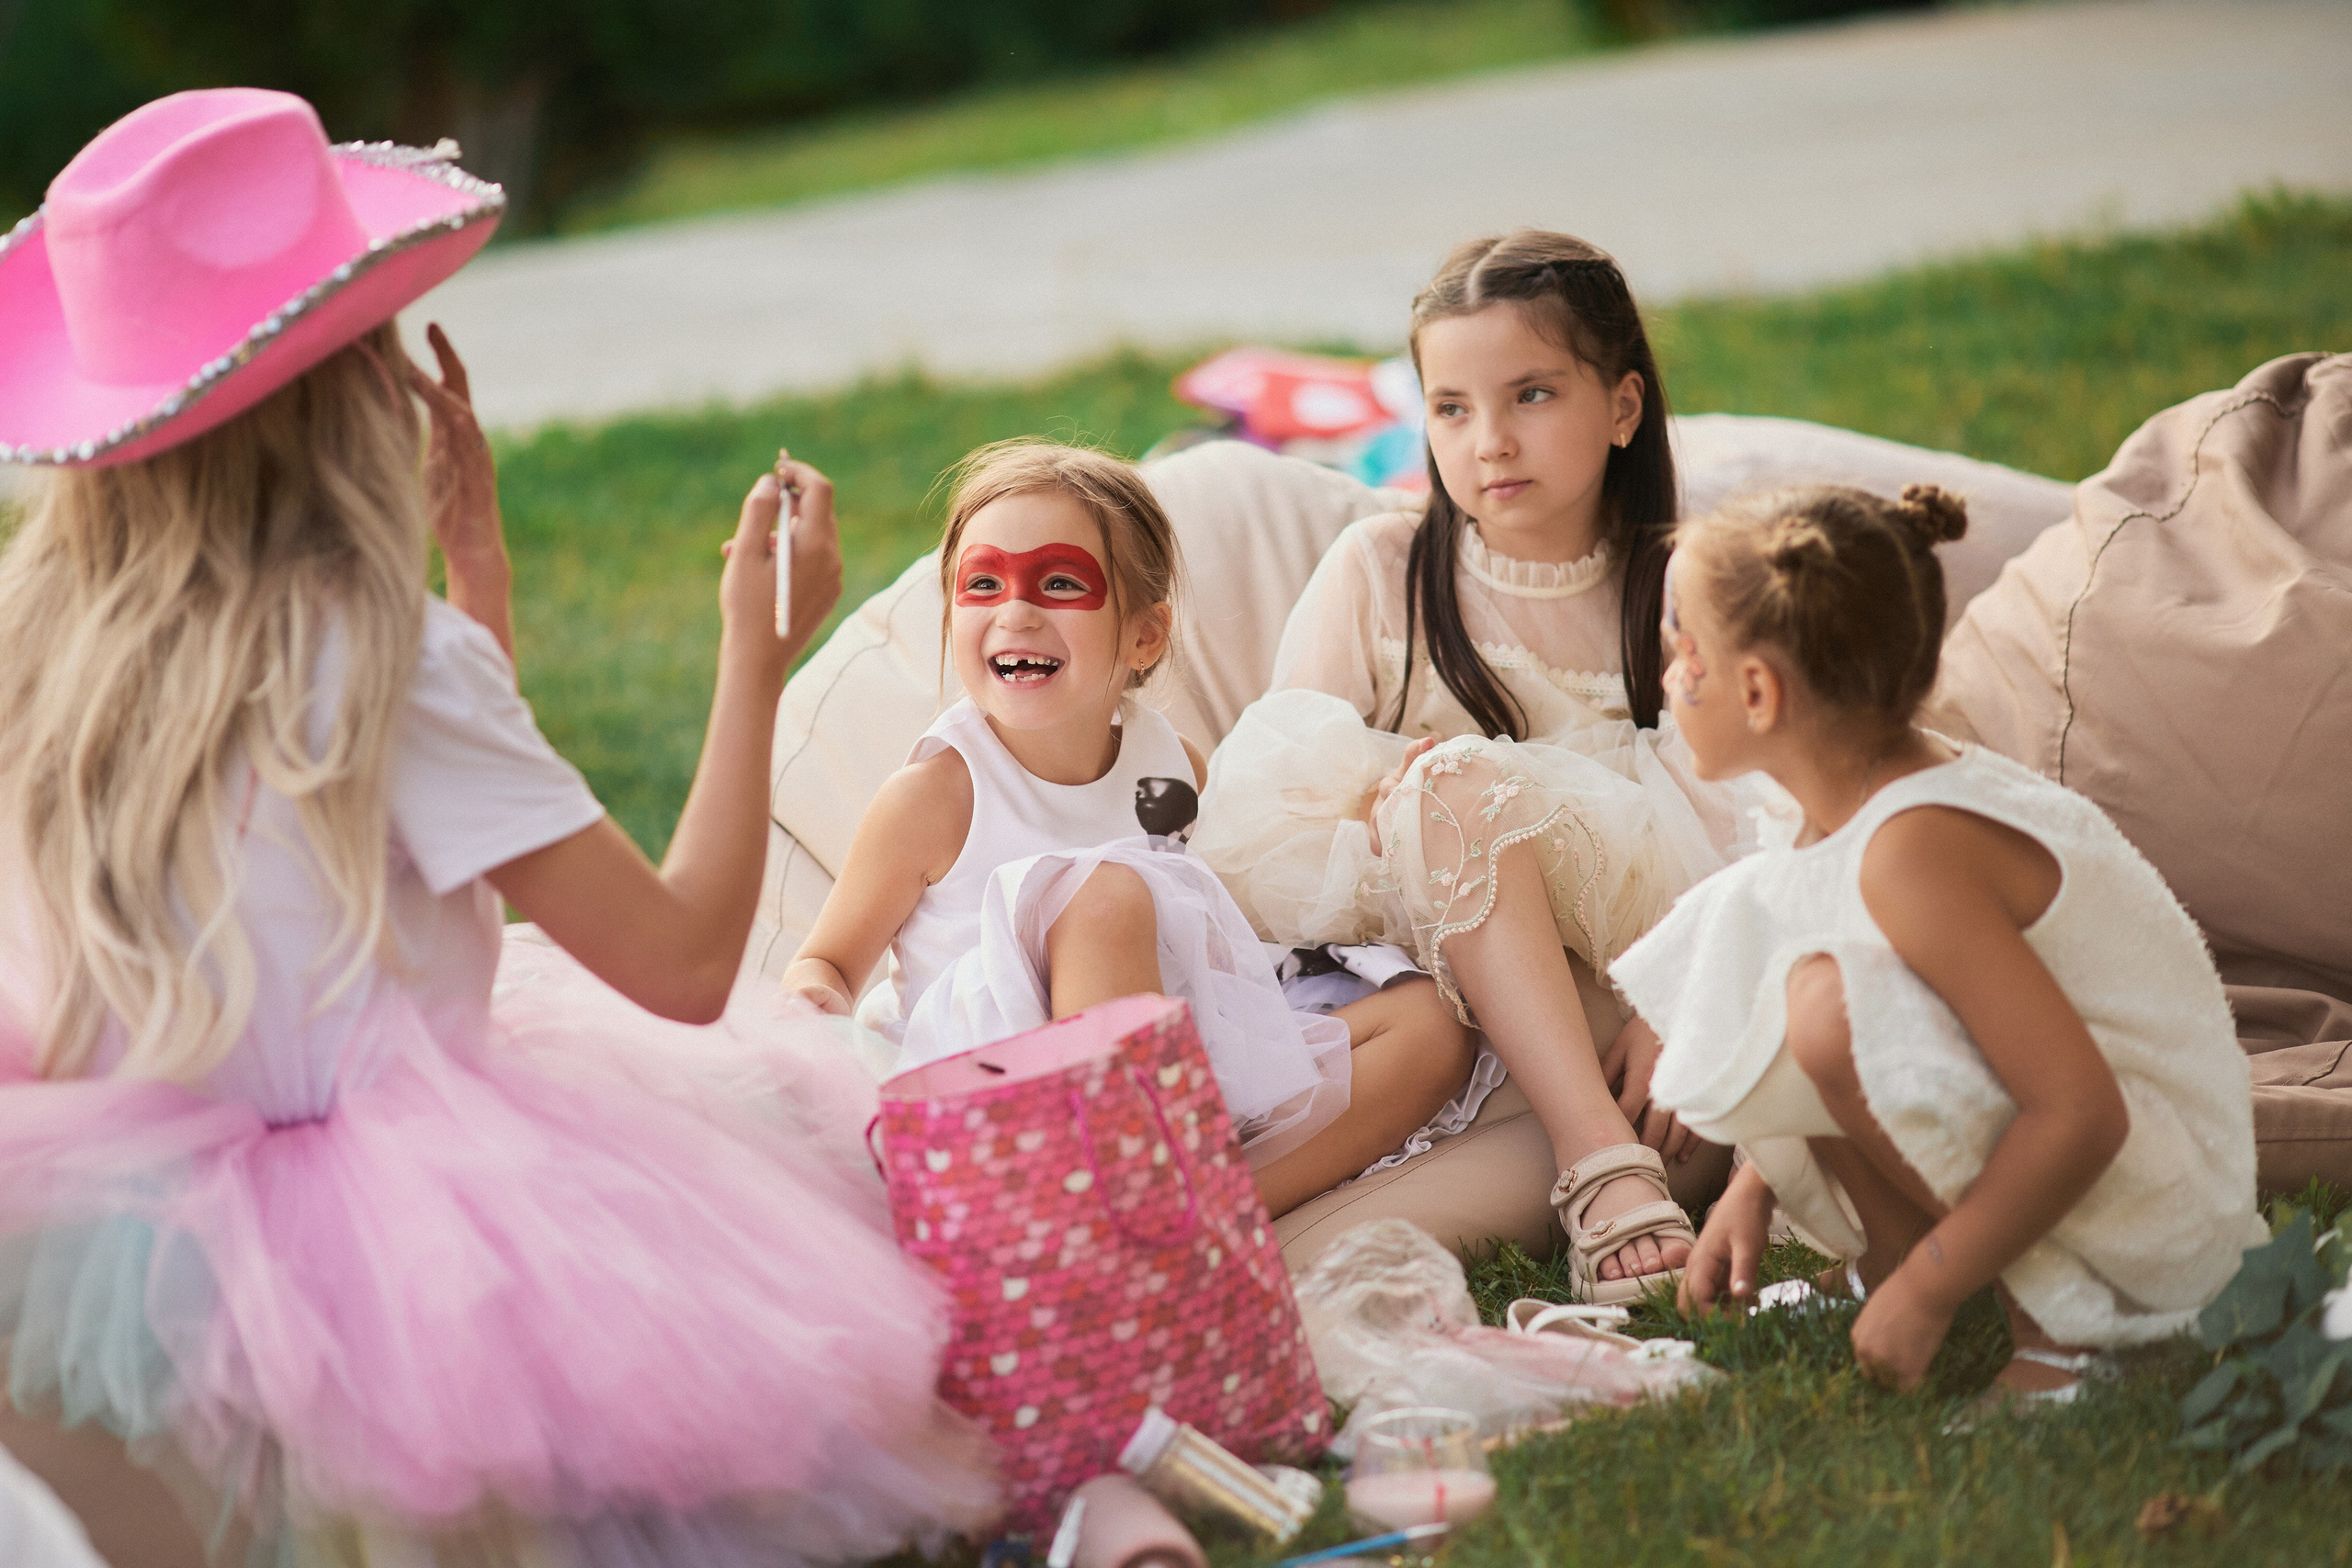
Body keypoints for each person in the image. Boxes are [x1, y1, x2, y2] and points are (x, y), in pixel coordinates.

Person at [0, 88, 994, 1564]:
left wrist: (479, 583)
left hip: (146, 1238)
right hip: (410, 1260)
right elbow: (681, 964)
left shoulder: (46, 647)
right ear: (348, 389)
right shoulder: (387, 662)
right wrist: (756, 653)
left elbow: (398, 850)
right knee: (781, 1123)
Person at [1612, 481, 2265, 1408]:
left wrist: (1931, 1288)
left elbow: (2082, 1113)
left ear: (1757, 691)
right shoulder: (1837, 793)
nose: (1668, 673)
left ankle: (2074, 1336)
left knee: (1833, 1009)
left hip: (2153, 1187)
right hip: (2087, 1135)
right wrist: (1751, 1187)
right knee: (1802, 984)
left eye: (1685, 651)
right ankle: (1895, 1261)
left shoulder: (1913, 850)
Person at [1193, 232, 1751, 1302]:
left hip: (1623, 1046)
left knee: (1302, 1274)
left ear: (1622, 406)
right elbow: (1261, 818)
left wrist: (1679, 1001)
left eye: (1531, 395)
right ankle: (1599, 1168)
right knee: (1451, 782)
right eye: (1450, 408)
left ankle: (1607, 1164)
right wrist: (1381, 798)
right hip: (1438, 1033)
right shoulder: (1382, 571)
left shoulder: (1690, 587)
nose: (1489, 441)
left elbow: (1765, 828)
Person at [783, 440, 1476, 1217]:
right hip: (1015, 1107)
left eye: (1058, 582)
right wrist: (813, 999)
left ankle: (1206, 1215)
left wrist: (1366, 812)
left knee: (1431, 1027)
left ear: (1144, 637)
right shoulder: (937, 795)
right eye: (983, 583)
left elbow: (1239, 896)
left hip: (1174, 1072)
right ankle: (1131, 1207)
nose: (1016, 611)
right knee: (1103, 896)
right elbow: (828, 961)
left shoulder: (1172, 764)